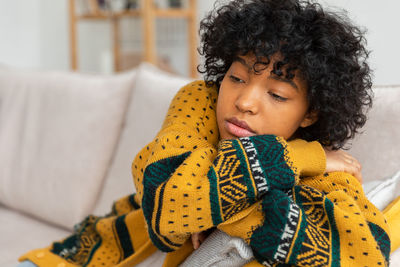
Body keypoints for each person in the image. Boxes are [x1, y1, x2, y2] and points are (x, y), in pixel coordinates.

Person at [18, 0, 391, 266]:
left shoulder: (329, 173)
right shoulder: (199, 102)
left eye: (276, 94)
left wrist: (222, 212)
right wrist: (293, 159)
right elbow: (167, 206)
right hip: (92, 252)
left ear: (310, 113)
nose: (244, 101)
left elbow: (365, 254)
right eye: (237, 77)